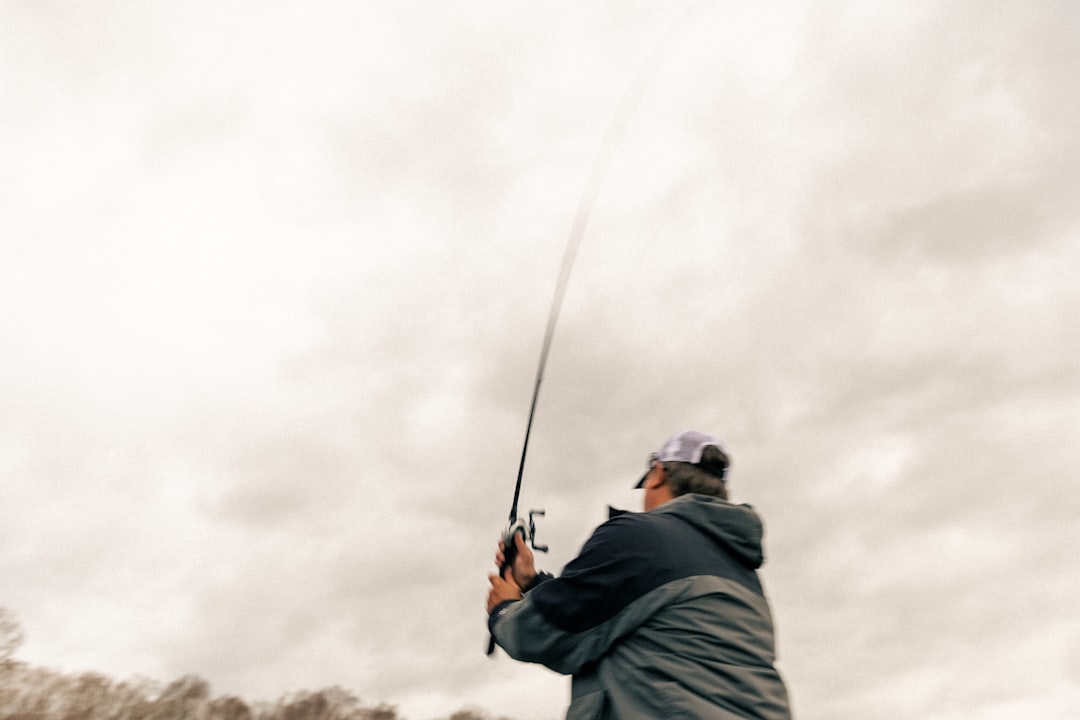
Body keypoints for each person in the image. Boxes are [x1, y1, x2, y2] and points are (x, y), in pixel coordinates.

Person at [486, 430, 792, 719]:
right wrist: (532, 582)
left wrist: (504, 608)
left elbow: (541, 632)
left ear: (658, 474)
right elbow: (614, 614)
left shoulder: (638, 537)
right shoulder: (745, 574)